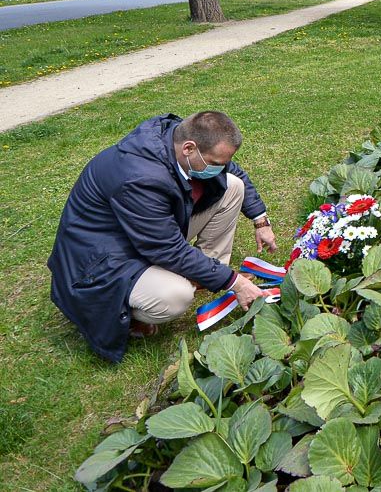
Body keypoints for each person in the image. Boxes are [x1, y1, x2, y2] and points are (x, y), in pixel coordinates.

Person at [48, 111, 278, 362]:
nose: (220, 168)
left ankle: (205, 275)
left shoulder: (183, 142)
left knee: (232, 186)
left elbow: (233, 170)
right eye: (215, 162)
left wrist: (260, 221)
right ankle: (133, 314)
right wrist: (236, 283)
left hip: (144, 235)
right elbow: (168, 249)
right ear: (190, 148)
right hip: (101, 263)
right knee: (175, 296)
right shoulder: (140, 178)